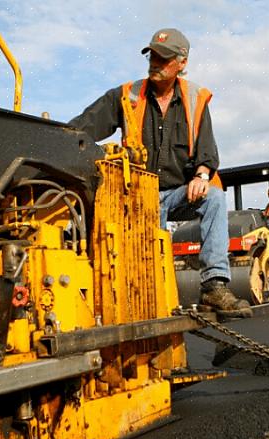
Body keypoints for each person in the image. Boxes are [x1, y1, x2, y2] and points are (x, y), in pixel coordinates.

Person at [69, 28, 251, 317]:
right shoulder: (127, 95)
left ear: (182, 62)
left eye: (163, 58)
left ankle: (214, 286)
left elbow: (207, 150)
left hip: (181, 192)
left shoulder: (195, 98)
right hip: (141, 194)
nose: (155, 62)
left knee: (214, 197)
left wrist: (202, 176)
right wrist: (62, 139)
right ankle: (139, 295)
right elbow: (84, 127)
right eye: (152, 55)